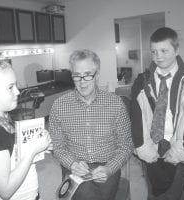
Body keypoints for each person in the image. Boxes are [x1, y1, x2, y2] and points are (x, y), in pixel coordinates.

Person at [131, 27, 184, 199]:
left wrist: (177, 153)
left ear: (177, 50)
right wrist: (146, 151)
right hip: (150, 149)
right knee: (152, 193)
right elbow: (136, 118)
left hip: (179, 149)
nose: (159, 56)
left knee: (173, 194)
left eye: (164, 50)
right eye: (154, 51)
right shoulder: (142, 81)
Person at [49, 49, 133, 200]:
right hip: (74, 168)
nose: (82, 82)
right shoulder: (59, 106)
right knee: (85, 195)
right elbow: (57, 146)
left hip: (107, 167)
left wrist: (109, 168)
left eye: (87, 75)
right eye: (77, 76)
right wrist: (72, 164)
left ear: (97, 75)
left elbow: (126, 145)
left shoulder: (115, 104)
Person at [0, 60, 51, 200]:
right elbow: (5, 191)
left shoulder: (4, 119)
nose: (17, 91)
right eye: (10, 87)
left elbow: (13, 158)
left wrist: (38, 148)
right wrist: (32, 152)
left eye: (16, 85)